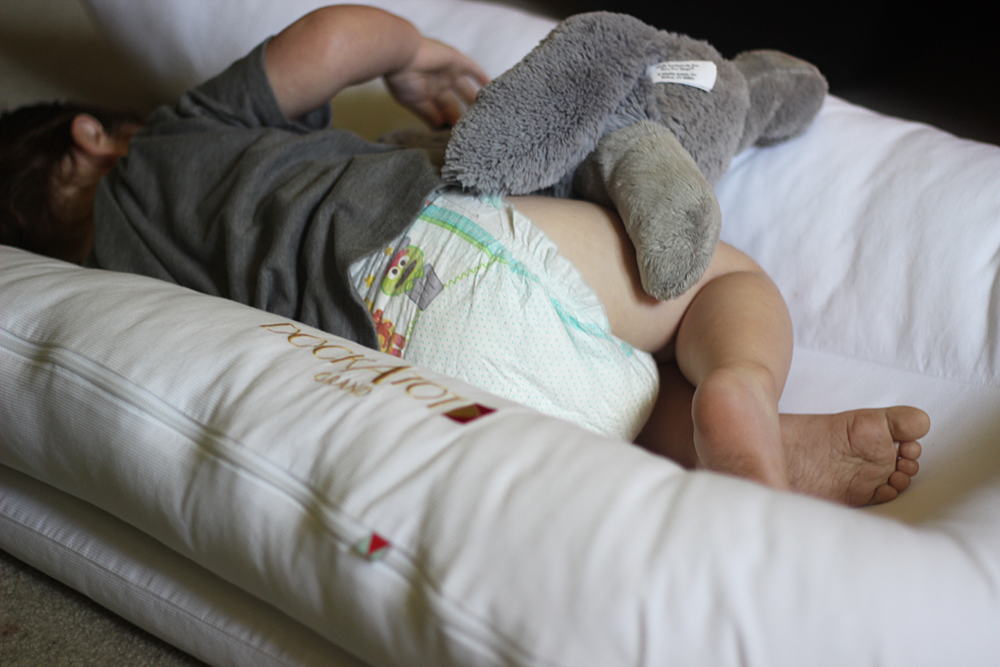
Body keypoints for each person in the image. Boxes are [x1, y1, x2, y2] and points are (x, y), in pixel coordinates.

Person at [0, 5, 927, 506]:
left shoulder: (115, 280)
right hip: (433, 239)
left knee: (638, 403)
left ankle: (728, 444)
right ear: (91, 134)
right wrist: (412, 54)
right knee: (713, 280)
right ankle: (744, 391)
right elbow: (331, 37)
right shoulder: (174, 133)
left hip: (403, 366)